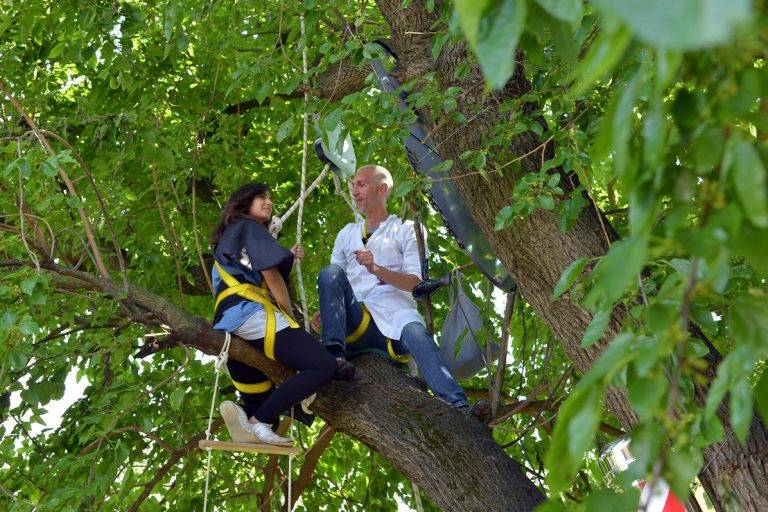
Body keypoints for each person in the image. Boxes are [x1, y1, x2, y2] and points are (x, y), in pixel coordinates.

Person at [313, 165, 490, 420]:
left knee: (418, 334)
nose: (354, 191)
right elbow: (334, 281)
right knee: (329, 271)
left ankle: (460, 408)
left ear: (381, 189)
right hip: (357, 320)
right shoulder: (346, 234)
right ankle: (334, 358)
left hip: (394, 319)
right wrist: (326, 312)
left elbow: (414, 283)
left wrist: (376, 268)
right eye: (353, 185)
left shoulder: (406, 229)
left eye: (361, 184)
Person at [211, 182, 337, 445]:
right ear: (244, 203)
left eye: (269, 198)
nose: (268, 202)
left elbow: (252, 270)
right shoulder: (247, 227)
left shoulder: (232, 238)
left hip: (231, 322)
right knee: (323, 365)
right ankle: (259, 422)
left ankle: (246, 416)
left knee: (265, 402)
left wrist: (287, 256)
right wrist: (291, 320)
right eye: (260, 197)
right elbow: (272, 277)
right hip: (251, 315)